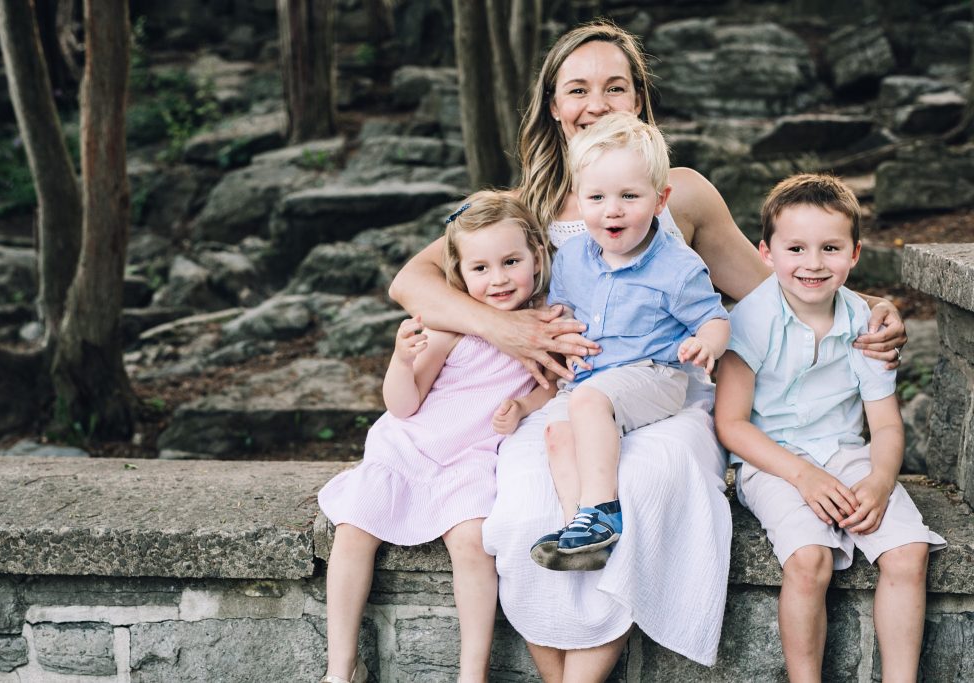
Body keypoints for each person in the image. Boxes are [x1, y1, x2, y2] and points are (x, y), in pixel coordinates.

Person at [389, 20, 908, 680]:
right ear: (554, 106)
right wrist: (508, 329)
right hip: (566, 399)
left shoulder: (680, 191)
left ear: (639, 100)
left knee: (642, 490)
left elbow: (770, 297)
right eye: (577, 89)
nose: (595, 103)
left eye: (615, 87)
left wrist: (869, 312)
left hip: (669, 397)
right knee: (524, 508)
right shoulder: (530, 206)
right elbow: (412, 280)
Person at [714, 174, 945, 682]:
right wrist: (803, 476)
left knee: (908, 552)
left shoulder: (865, 322)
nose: (813, 263)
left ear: (855, 254)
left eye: (830, 248)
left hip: (845, 451)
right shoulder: (749, 320)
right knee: (809, 559)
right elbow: (731, 424)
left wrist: (882, 480)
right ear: (766, 253)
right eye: (795, 247)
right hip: (771, 461)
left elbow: (884, 425)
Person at [317, 191, 555, 683]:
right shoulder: (453, 324)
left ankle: (474, 672)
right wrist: (402, 361)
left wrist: (525, 406)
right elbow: (403, 404)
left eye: (511, 262)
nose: (499, 279)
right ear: (460, 274)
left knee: (472, 541)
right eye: (481, 269)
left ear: (536, 254)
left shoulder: (544, 320)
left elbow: (553, 386)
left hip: (472, 456)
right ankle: (341, 668)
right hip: (411, 447)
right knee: (354, 527)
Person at [533, 112, 729, 568]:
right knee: (558, 434)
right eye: (596, 197)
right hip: (593, 379)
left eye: (629, 196)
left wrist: (707, 344)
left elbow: (714, 318)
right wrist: (557, 329)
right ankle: (577, 530)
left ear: (660, 200)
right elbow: (561, 310)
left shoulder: (677, 267)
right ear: (578, 199)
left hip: (654, 375)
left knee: (586, 404)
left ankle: (603, 511)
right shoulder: (573, 258)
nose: (612, 209)